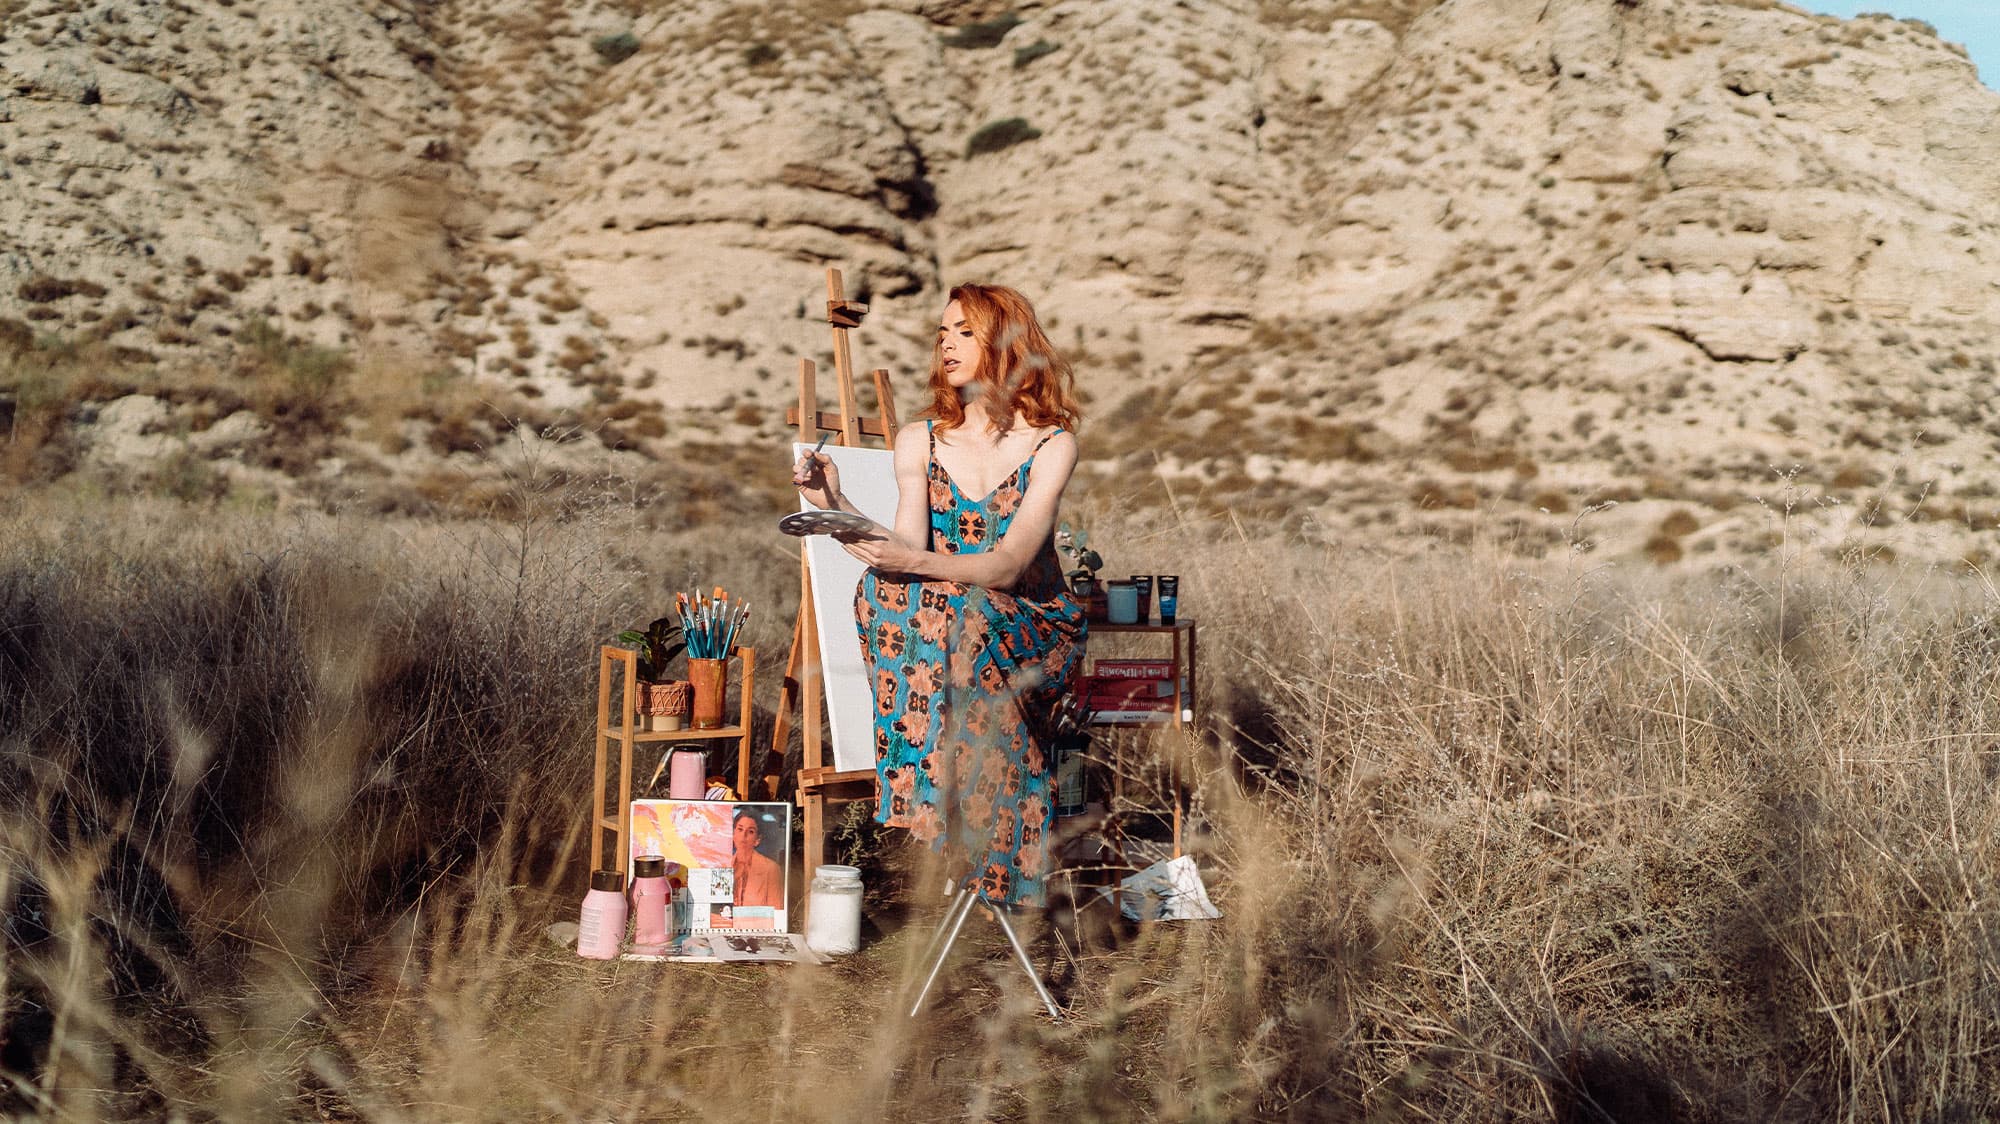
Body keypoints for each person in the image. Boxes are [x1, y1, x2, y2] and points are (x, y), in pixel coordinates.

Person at [792, 283, 1086, 908]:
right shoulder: (919, 439)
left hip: (1034, 626)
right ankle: (929, 788)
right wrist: (834, 503)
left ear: (1005, 343)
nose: (946, 344)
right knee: (883, 590)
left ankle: (944, 803)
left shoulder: (1051, 442)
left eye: (964, 332)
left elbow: (1009, 566)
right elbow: (902, 550)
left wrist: (917, 563)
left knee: (957, 604)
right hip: (953, 624)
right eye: (942, 332)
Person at [731, 810, 784, 908]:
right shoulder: (723, 864)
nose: (743, 835)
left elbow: (776, 911)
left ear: (757, 840)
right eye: (740, 829)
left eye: (750, 831)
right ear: (734, 834)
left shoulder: (771, 869)